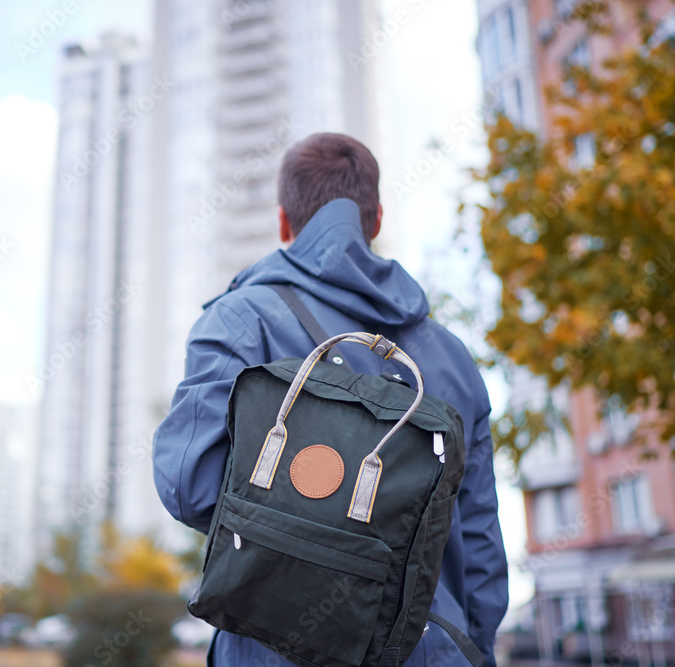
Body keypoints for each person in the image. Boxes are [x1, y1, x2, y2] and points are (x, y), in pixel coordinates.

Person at [152, 133, 509, 666]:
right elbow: (480, 544)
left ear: (283, 223)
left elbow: (191, 487)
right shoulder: (453, 356)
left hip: (277, 649)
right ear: (376, 220)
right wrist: (473, 648)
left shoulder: (239, 320)